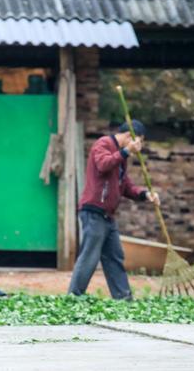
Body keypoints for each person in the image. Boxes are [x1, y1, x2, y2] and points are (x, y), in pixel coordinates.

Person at [67, 119, 160, 300]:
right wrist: (126, 152)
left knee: (115, 257)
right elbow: (103, 164)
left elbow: (125, 186)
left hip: (108, 216)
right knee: (90, 256)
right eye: (138, 142)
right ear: (128, 137)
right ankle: (74, 297)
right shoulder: (103, 144)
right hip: (93, 211)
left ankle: (124, 299)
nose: (138, 148)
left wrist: (145, 194)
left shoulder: (121, 158)